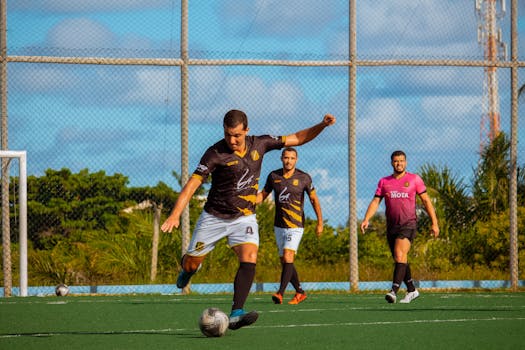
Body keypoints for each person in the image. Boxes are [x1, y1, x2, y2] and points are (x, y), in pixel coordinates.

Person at [161, 109, 336, 330]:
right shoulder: (214, 153)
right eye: (227, 135)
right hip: (214, 217)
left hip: (244, 217)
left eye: (237, 135)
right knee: (191, 263)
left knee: (249, 257)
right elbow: (192, 184)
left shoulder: (261, 144)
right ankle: (187, 271)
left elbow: (298, 138)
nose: (232, 140)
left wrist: (322, 124)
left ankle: (236, 312)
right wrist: (175, 214)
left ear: (247, 131)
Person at [360, 150, 439, 304]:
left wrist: (434, 222)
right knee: (400, 258)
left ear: (406, 162)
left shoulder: (414, 179)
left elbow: (426, 201)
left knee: (399, 254)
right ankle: (411, 290)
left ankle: (393, 291)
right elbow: (376, 201)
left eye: (402, 161)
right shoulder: (384, 182)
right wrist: (366, 219)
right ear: (392, 163)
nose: (399, 163)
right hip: (391, 226)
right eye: (396, 161)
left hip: (408, 224)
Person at [257, 147, 323, 305]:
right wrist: (247, 200)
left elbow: (314, 200)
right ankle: (300, 292)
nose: (289, 161)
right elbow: (262, 196)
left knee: (288, 257)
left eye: (292, 158)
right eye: (286, 157)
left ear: (296, 160)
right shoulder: (274, 176)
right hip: (279, 225)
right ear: (281, 158)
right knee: (285, 261)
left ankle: (280, 293)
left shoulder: (304, 178)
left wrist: (320, 222)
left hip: (296, 225)